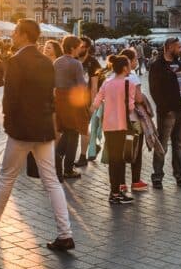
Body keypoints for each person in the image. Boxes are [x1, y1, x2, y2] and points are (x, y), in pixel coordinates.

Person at [0, 19, 74, 251]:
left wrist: (7, 122)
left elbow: (10, 97)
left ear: (24, 35)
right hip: (43, 128)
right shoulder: (46, 62)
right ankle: (65, 233)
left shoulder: (15, 61)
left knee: (6, 176)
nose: (12, 35)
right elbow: (51, 95)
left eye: (15, 32)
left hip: (22, 129)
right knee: (52, 181)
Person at [92, 55, 140, 204]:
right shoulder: (129, 84)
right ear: (125, 68)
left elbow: (97, 101)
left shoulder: (107, 82)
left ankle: (114, 192)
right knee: (120, 159)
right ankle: (116, 193)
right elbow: (131, 106)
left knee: (113, 159)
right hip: (122, 125)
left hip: (108, 125)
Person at [148, 38, 181, 189]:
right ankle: (157, 176)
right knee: (162, 145)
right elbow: (154, 89)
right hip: (168, 112)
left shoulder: (178, 63)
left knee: (179, 145)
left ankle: (180, 175)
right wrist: (164, 107)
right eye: (178, 47)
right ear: (169, 47)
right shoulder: (157, 65)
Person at [53, 35, 88, 181]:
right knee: (73, 132)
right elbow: (81, 85)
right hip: (72, 100)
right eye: (79, 46)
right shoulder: (76, 63)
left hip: (59, 98)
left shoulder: (57, 62)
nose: (80, 49)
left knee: (67, 131)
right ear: (73, 48)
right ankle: (68, 168)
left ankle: (57, 161)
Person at [119, 47, 149, 191]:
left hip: (118, 119)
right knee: (135, 149)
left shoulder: (113, 76)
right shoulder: (133, 77)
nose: (137, 61)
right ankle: (135, 181)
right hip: (133, 119)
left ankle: (121, 182)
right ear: (129, 61)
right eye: (135, 59)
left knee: (120, 150)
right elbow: (138, 98)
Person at [76, 36, 103, 165]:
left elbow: (94, 86)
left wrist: (93, 105)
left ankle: (82, 156)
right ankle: (94, 146)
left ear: (87, 48)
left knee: (83, 128)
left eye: (81, 46)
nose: (78, 48)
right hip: (73, 100)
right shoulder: (73, 59)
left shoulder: (93, 63)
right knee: (78, 128)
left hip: (86, 101)